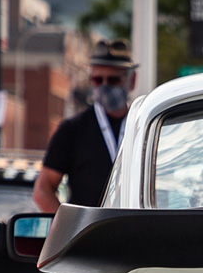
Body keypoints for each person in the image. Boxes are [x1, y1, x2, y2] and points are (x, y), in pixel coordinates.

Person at [33, 39, 138, 211]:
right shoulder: (72, 130)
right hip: (89, 234)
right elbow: (42, 190)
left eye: (113, 80)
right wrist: (70, 229)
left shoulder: (142, 125)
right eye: (97, 80)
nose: (104, 86)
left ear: (131, 80)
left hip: (135, 231)